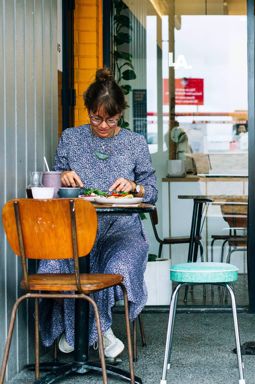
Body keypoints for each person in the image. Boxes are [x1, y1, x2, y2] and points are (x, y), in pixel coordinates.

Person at [38, 68, 158, 358]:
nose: (103, 125)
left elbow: (152, 188)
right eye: (96, 118)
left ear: (121, 114)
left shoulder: (135, 143)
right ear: (87, 110)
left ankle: (80, 333)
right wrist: (63, 175)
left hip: (121, 229)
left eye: (111, 119)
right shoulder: (70, 138)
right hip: (76, 229)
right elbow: (53, 186)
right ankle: (97, 331)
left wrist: (135, 187)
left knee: (118, 265)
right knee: (55, 265)